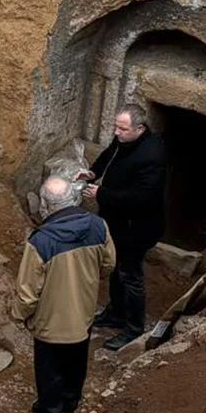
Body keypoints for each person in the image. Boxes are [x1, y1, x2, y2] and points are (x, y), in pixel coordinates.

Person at [13, 175, 116, 413]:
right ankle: (70, 405)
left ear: (45, 205)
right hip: (83, 313)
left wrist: (20, 315)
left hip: (50, 322)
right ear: (74, 198)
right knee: (76, 361)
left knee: (49, 369)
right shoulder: (98, 226)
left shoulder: (41, 241)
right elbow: (108, 264)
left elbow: (28, 293)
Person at [78, 105, 166, 351]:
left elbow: (141, 198)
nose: (116, 132)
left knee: (130, 275)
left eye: (122, 129)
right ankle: (115, 313)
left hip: (137, 228)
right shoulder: (125, 139)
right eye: (115, 127)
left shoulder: (152, 156)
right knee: (116, 268)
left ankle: (133, 328)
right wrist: (93, 172)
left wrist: (101, 194)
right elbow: (110, 153)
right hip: (118, 222)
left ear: (140, 128)